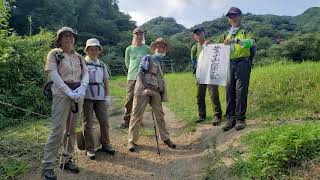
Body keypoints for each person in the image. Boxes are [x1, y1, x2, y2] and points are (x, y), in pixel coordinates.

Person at [42, 27, 89, 180]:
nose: (68, 39)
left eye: (71, 36)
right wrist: (67, 91)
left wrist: (83, 87)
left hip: (78, 95)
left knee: (72, 128)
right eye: (65, 36)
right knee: (58, 129)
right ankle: (48, 166)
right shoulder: (54, 54)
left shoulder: (79, 57)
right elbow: (53, 74)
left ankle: (67, 159)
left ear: (74, 39)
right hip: (61, 95)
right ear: (59, 39)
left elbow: (86, 73)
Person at [127, 38, 176, 152]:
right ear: (154, 48)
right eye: (158, 46)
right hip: (143, 90)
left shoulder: (160, 62)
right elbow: (140, 73)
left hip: (156, 91)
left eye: (163, 47)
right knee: (136, 115)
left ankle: (165, 138)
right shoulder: (147, 58)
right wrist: (145, 88)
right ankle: (131, 141)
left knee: (160, 115)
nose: (161, 48)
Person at [222, 7, 255, 131]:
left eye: (235, 15)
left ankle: (240, 118)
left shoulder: (247, 30)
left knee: (241, 90)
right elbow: (220, 48)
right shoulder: (226, 33)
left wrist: (237, 40)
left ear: (240, 16)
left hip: (243, 62)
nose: (232, 18)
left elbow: (251, 42)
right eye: (230, 16)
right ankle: (230, 118)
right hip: (229, 63)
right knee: (229, 90)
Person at [82, 38, 115, 160]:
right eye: (91, 49)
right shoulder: (83, 63)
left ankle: (106, 144)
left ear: (99, 50)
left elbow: (105, 81)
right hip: (86, 97)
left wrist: (107, 96)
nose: (94, 51)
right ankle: (90, 148)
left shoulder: (102, 64)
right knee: (87, 123)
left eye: (96, 49)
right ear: (87, 50)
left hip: (100, 96)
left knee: (104, 121)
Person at [120, 27, 151, 128]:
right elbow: (127, 63)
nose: (139, 36)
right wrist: (132, 71)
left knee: (140, 100)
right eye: (137, 34)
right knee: (129, 99)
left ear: (143, 36)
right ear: (134, 36)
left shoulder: (147, 49)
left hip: (143, 78)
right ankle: (127, 120)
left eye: (141, 34)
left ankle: (138, 120)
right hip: (131, 77)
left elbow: (150, 62)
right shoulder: (129, 49)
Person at [191, 28, 223, 126]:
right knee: (199, 96)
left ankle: (217, 115)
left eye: (200, 33)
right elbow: (193, 60)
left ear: (203, 34)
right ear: (194, 37)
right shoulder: (194, 47)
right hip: (200, 74)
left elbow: (219, 52)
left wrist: (211, 45)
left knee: (214, 94)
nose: (198, 36)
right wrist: (195, 71)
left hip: (211, 73)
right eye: (196, 34)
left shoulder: (210, 43)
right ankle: (202, 116)